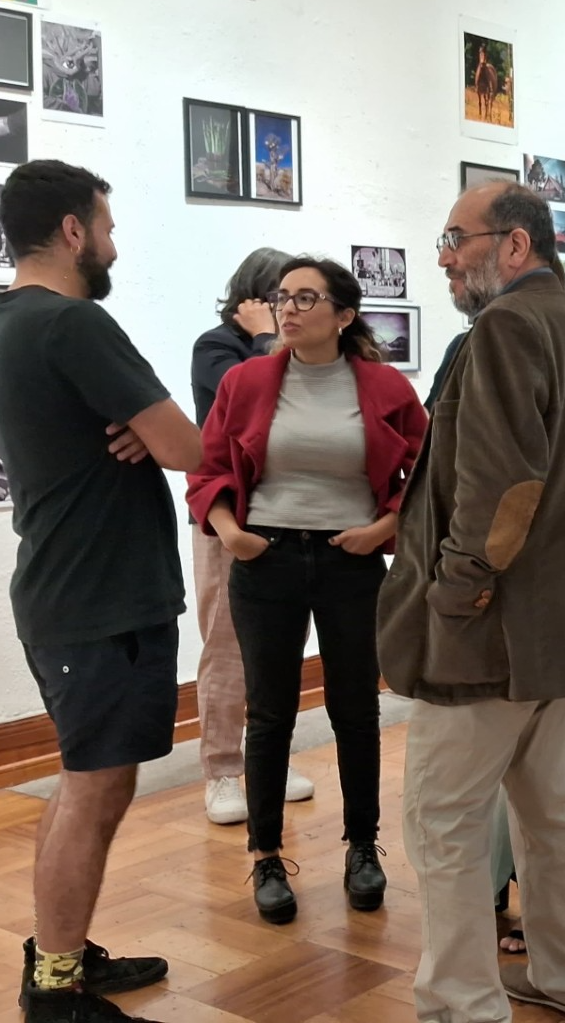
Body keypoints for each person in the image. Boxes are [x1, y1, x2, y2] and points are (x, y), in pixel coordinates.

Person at [380, 182, 565, 1022]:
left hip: (494, 630)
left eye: (457, 239)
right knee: (550, 813)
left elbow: (503, 489)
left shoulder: (507, 326)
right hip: (556, 628)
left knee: (441, 820)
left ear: (515, 245)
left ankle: (462, 1005)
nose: (445, 258)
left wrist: (452, 595)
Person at [0, 160, 199, 1022]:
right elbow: (186, 445)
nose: (113, 245)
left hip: (72, 592)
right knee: (95, 789)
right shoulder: (72, 323)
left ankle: (58, 952)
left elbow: (152, 438)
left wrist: (145, 433)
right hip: (98, 598)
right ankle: (57, 989)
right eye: (106, 228)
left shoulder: (12, 321)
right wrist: (157, 435)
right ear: (73, 231)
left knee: (84, 782)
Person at [186, 257, 425, 924]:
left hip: (350, 560)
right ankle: (266, 855)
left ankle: (362, 847)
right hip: (267, 558)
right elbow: (208, 468)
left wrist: (384, 527)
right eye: (282, 297)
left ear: (343, 315)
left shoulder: (383, 386)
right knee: (270, 713)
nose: (287, 309)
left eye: (305, 298)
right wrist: (231, 533)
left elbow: (427, 470)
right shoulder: (245, 380)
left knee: (356, 710)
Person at [189, 246, 319, 826]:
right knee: (226, 647)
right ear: (254, 298)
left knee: (281, 647)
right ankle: (221, 770)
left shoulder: (301, 353)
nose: (292, 308)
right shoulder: (215, 347)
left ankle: (270, 760)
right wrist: (268, 338)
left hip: (291, 516)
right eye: (282, 296)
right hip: (229, 519)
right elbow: (251, 401)